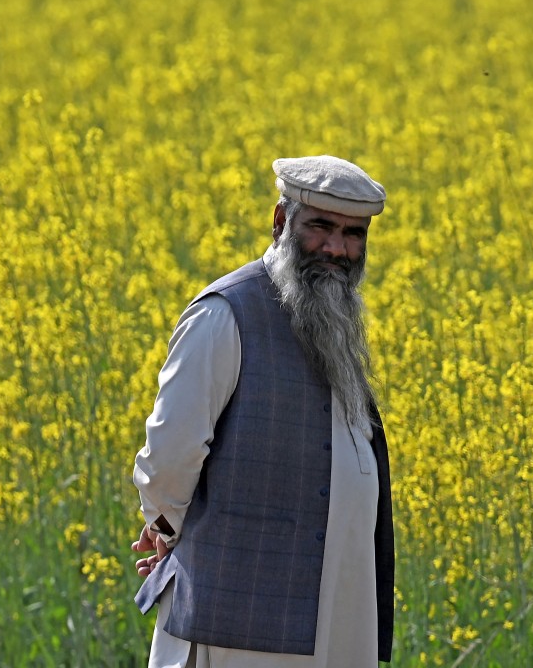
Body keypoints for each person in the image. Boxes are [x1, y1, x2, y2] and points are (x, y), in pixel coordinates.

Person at [131, 155, 395, 667]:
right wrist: (163, 530)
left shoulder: (336, 321)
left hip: (336, 612)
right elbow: (171, 449)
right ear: (280, 221)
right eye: (320, 226)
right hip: (242, 612)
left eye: (353, 234)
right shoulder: (225, 313)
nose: (336, 248)